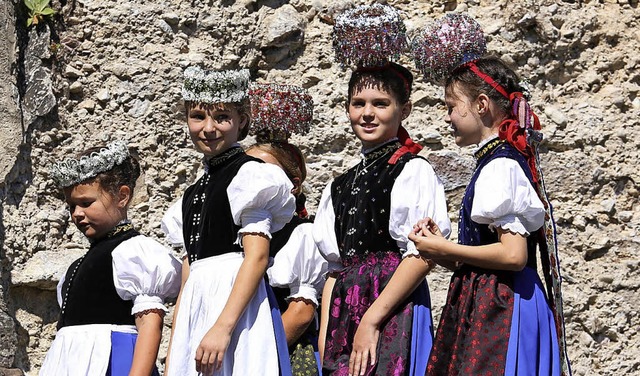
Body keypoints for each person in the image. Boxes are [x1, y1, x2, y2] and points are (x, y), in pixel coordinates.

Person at [409, 13, 571, 376]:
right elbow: (490, 256)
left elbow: (513, 256)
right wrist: (441, 248)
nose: (448, 118)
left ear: (481, 105)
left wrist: (442, 249)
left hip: (503, 305)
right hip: (489, 297)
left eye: (452, 107)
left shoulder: (500, 165)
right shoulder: (494, 162)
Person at [314, 5, 451, 375]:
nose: (368, 113)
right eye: (358, 104)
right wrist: (327, 342)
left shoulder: (413, 170)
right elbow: (334, 272)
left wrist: (372, 322)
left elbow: (422, 255)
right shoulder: (338, 185)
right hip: (346, 308)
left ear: (403, 110)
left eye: (381, 104)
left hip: (391, 306)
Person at [164, 67, 296, 376]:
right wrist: (175, 351)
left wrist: (223, 327)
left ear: (242, 122)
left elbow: (257, 257)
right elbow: (188, 279)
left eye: (222, 117)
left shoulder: (249, 176)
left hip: (236, 307)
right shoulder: (192, 194)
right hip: (198, 305)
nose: (209, 128)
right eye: (198, 116)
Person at [41, 140, 182, 376]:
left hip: (112, 361)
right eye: (71, 206)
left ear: (122, 196)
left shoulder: (133, 253)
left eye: (86, 203)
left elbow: (149, 324)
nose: (77, 214)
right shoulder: (76, 266)